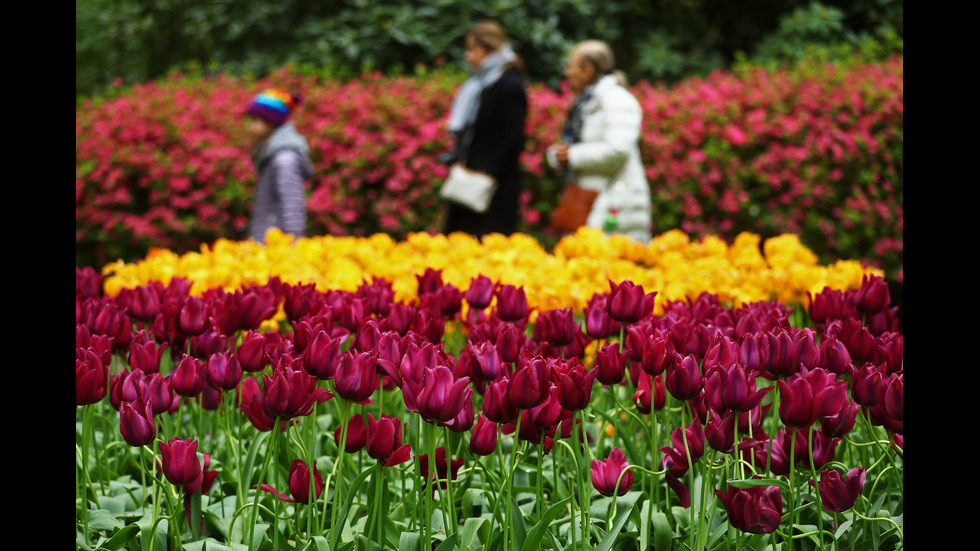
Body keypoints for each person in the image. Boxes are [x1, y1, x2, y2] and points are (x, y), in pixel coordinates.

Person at [547, 40, 652, 243]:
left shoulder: (617, 99)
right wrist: (559, 155)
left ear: (588, 69)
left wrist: (572, 155)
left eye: (571, 65)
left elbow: (617, 150)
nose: (566, 72)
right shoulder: (586, 101)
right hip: (587, 198)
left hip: (615, 202)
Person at [440, 21, 528, 238]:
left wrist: (485, 171)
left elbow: (513, 140)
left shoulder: (508, 85)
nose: (468, 56)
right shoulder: (483, 82)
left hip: (491, 187)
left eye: (472, 49)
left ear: (488, 49)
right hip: (474, 176)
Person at [243, 88, 313, 243]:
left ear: (271, 122)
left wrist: (293, 245)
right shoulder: (270, 154)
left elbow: (292, 209)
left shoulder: (284, 160)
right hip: (268, 246)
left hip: (279, 248)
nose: (249, 127)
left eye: (255, 120)